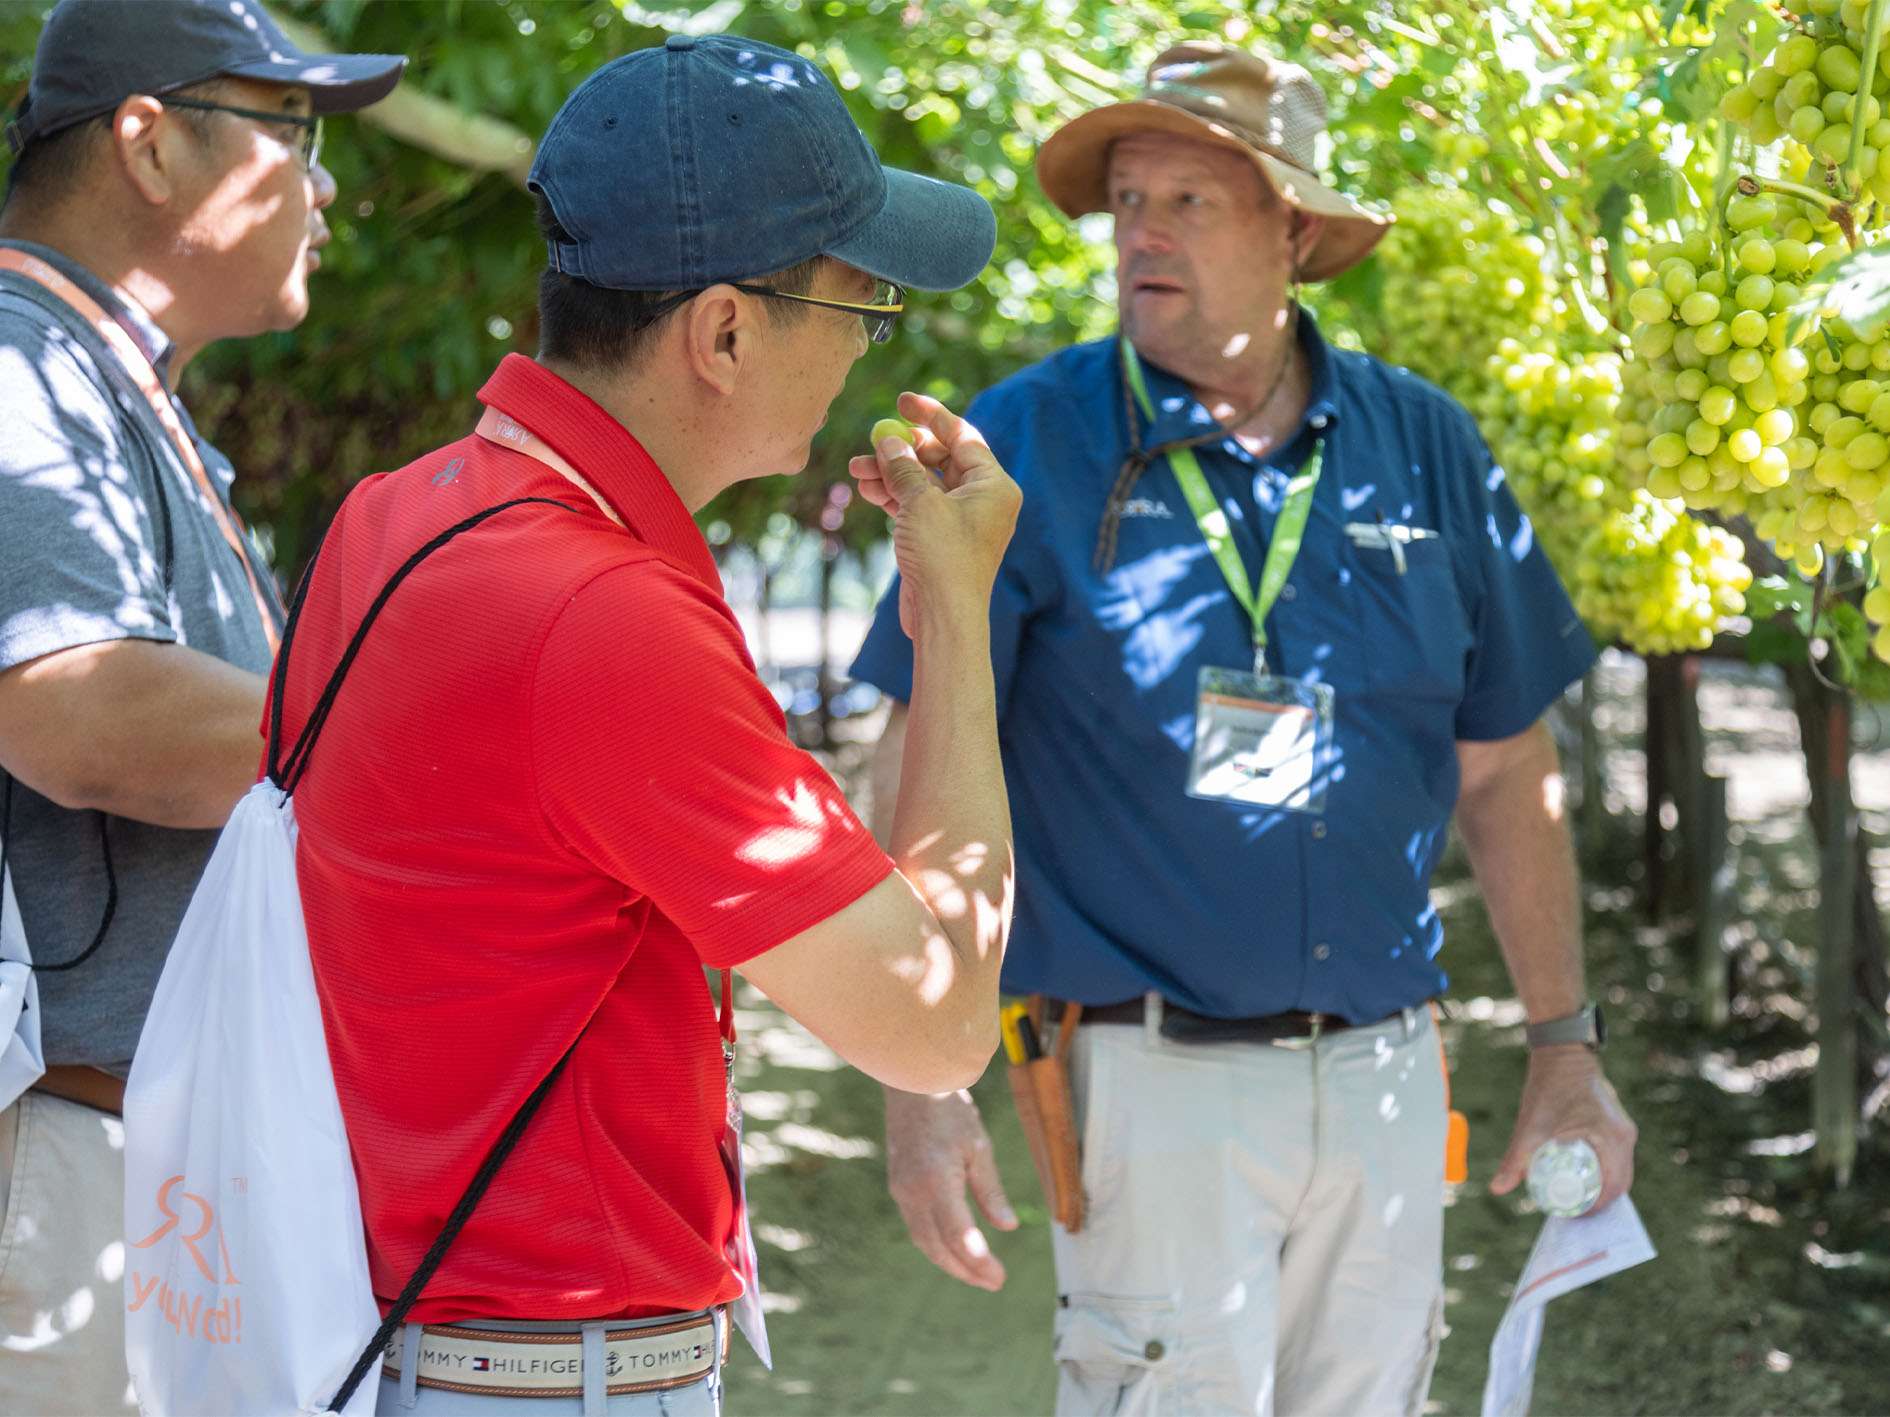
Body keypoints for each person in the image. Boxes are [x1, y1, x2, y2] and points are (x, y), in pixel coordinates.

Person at [850, 41, 1639, 1417]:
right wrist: (913, 1076)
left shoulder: (1424, 447)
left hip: (1392, 1077)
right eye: (1127, 203)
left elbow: (1511, 770)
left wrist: (1564, 1045)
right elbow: (907, 750)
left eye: (1187, 202)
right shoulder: (1022, 445)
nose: (1138, 234)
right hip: (1144, 1081)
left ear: (1293, 231)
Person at [266, 33, 1017, 1416]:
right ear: (726, 331)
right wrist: (957, 605)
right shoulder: (603, 620)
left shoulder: (401, 512)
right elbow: (938, 1021)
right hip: (553, 1370)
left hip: (407, 1328)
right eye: (859, 308)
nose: (863, 354)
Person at [0, 2, 402, 1411]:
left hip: (153, 1166)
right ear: (150, 147)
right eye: (292, 131)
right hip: (71, 1162)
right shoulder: (18, 363)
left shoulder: (104, 380)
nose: (327, 180)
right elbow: (77, 705)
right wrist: (428, 739)